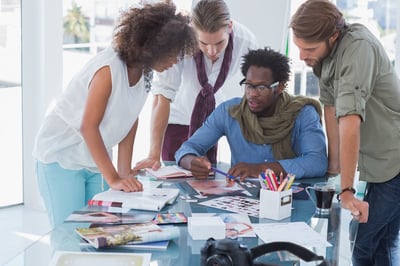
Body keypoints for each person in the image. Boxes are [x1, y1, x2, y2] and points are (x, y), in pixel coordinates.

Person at [32, 2, 197, 228]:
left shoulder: (145, 73)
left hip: (92, 160)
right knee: (69, 235)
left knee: (99, 230)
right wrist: (114, 178)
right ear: (153, 48)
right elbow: (88, 127)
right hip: (61, 157)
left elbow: (131, 118)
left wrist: (124, 171)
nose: (176, 61)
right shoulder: (108, 70)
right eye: (173, 53)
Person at [290, 1, 400, 265]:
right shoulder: (326, 56)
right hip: (382, 161)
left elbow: (349, 120)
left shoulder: (358, 48)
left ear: (333, 36)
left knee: (364, 242)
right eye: (299, 48)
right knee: (381, 242)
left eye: (310, 48)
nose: (303, 56)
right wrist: (334, 169)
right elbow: (330, 107)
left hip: (395, 158)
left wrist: (347, 190)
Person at [135, 0, 258, 170]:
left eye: (219, 43)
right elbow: (162, 94)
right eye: (204, 44)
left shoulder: (246, 42)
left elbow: (254, 90)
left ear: (229, 27)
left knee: (207, 179)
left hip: (211, 128)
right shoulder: (176, 40)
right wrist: (153, 155)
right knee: (176, 183)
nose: (212, 52)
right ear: (193, 29)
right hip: (176, 121)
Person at [175, 47, 328, 181]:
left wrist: (260, 169)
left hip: (287, 200)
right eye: (248, 85)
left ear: (280, 86)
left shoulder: (302, 113)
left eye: (261, 87)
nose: (252, 94)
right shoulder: (229, 111)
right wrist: (191, 162)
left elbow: (317, 162)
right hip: (240, 200)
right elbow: (188, 148)